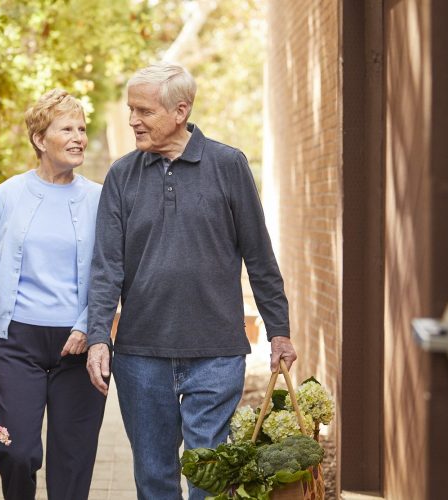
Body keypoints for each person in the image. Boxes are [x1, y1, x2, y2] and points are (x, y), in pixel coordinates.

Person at [85, 63, 297, 499]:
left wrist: (278, 331)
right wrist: (98, 337)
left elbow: (259, 256)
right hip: (141, 355)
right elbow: (106, 266)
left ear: (180, 111)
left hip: (216, 352)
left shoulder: (228, 165)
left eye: (144, 111)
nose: (132, 121)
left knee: (209, 478)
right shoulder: (122, 176)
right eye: (130, 110)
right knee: (155, 477)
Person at [0, 89, 105, 500]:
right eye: (66, 128)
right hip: (14, 342)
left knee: (73, 462)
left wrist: (88, 326)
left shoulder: (100, 198)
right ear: (39, 139)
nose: (78, 137)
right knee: (16, 453)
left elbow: (111, 273)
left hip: (79, 346)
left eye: (82, 129)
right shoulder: (9, 195)